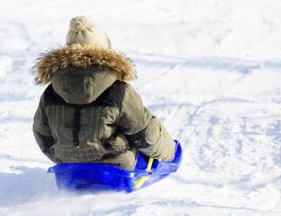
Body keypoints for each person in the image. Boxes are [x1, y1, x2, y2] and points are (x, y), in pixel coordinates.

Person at [33, 16, 175, 171]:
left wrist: (64, 156)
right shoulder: (119, 91)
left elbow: (42, 134)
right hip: (115, 167)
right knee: (143, 148)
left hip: (69, 167)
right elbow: (145, 135)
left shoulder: (50, 91)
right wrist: (172, 153)